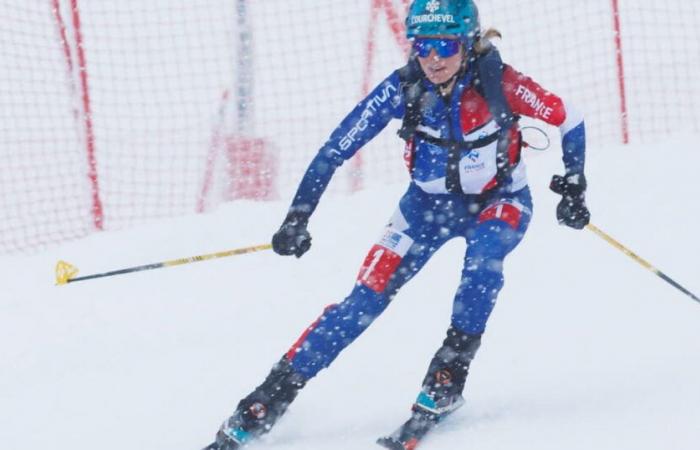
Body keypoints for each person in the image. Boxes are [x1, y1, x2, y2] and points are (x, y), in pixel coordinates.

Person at [204, 0, 589, 448]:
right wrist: (298, 217)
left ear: (467, 43)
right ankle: (270, 396)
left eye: (445, 45)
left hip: (498, 203)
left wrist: (575, 184)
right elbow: (335, 149)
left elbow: (570, 116)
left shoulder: (499, 83)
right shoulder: (403, 88)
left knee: (483, 264)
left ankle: (447, 376)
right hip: (424, 210)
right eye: (423, 46)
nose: (434, 59)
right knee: (362, 301)